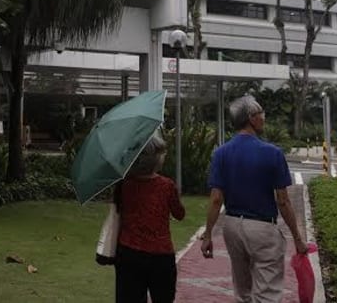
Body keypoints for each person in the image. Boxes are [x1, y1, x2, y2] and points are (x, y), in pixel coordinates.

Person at [201, 95, 307, 303]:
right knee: (267, 293)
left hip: (232, 227)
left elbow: (216, 199)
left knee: (243, 293)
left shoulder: (221, 153)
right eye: (261, 114)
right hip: (262, 230)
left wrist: (208, 234)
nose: (264, 118)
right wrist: (297, 237)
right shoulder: (272, 153)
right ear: (251, 118)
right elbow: (283, 201)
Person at [114, 131, 185, 303]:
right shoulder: (166, 186)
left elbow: (118, 208)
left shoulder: (123, 184)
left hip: (129, 252)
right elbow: (180, 214)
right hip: (160, 255)